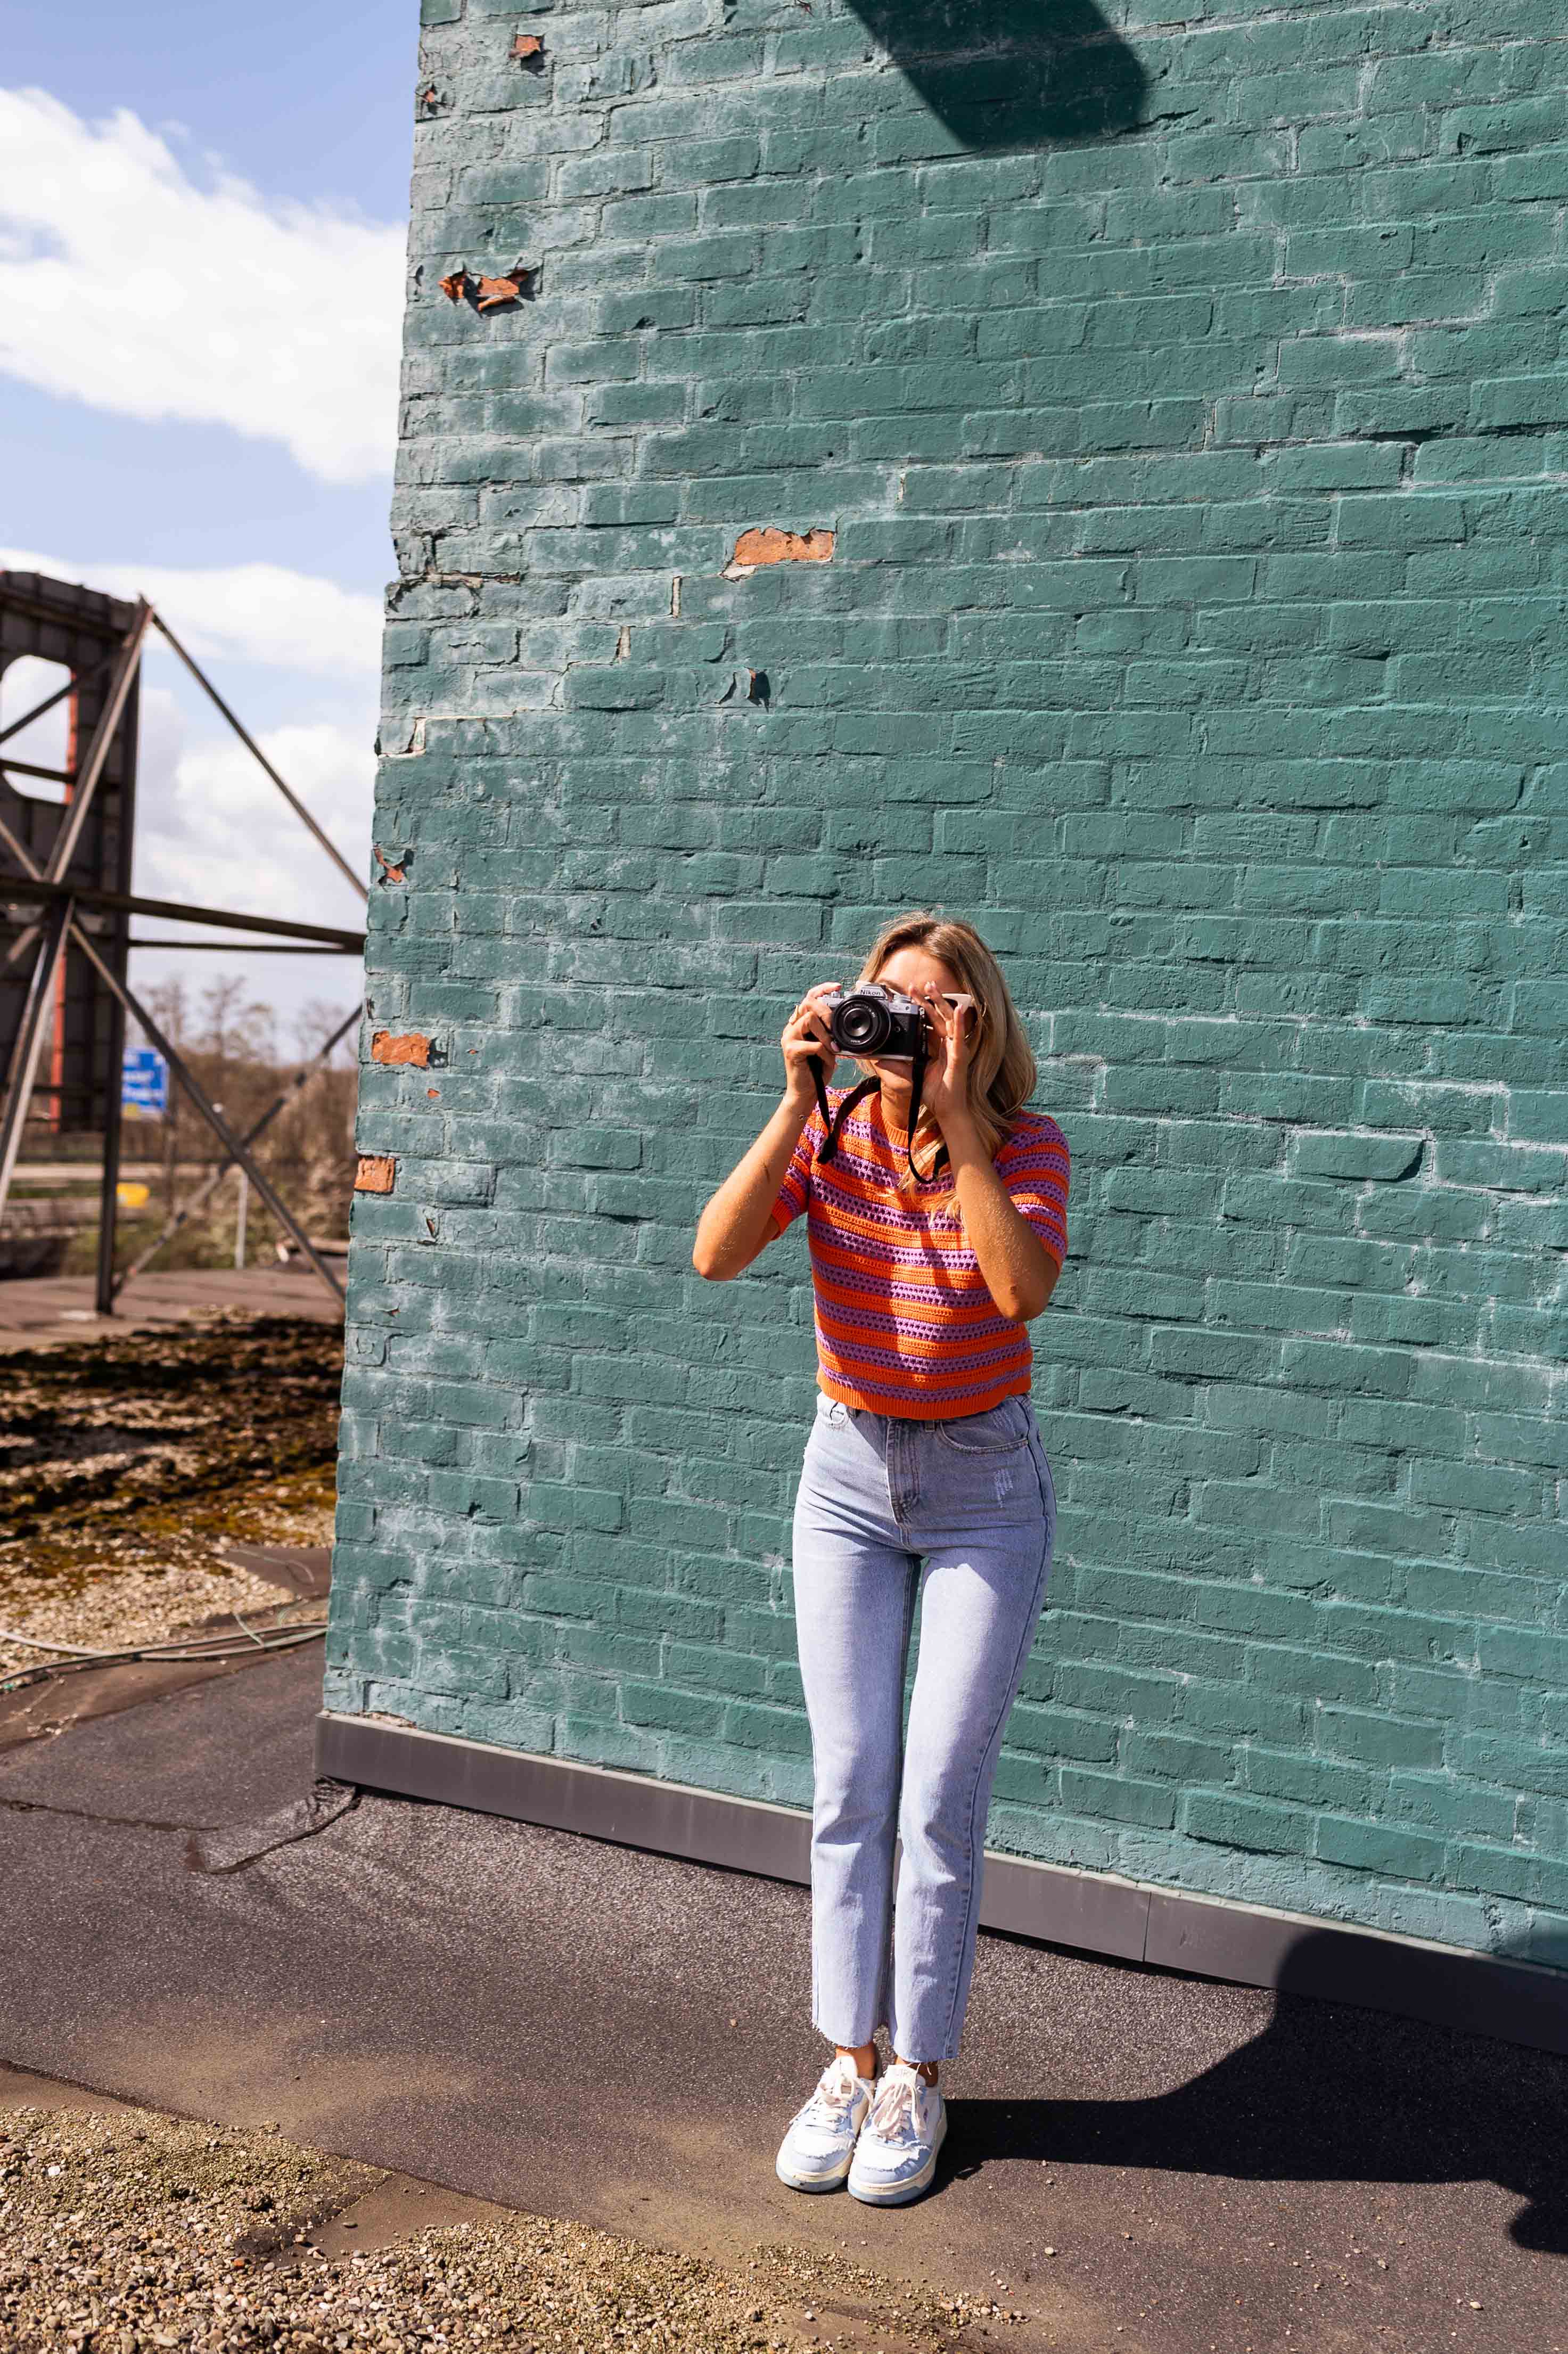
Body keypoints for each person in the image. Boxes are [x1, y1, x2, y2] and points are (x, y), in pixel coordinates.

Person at [692, 911, 1069, 2208]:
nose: (901, 1027)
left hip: (982, 1493)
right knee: (851, 1782)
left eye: (932, 1009)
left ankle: (918, 2072)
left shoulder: (1027, 1145)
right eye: (883, 1002)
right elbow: (716, 1253)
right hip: (846, 1478)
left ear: (978, 1020)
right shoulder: (835, 1131)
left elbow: (1020, 1292)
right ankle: (845, 2061)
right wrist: (794, 1100)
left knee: (936, 1797)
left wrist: (960, 1116)